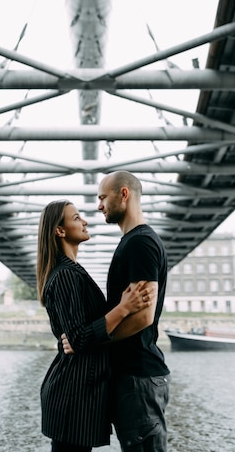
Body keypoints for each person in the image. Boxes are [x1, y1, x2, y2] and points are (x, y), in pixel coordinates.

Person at [64, 171, 170, 451]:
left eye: (102, 197)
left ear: (123, 194)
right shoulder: (132, 242)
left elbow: (143, 317)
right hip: (134, 376)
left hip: (138, 375)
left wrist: (90, 341)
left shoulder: (140, 243)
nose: (98, 206)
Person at [36, 199, 154, 452]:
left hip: (78, 389)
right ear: (60, 231)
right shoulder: (66, 274)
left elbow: (74, 332)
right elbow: (77, 339)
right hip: (73, 393)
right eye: (76, 218)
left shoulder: (71, 271)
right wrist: (123, 308)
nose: (85, 221)